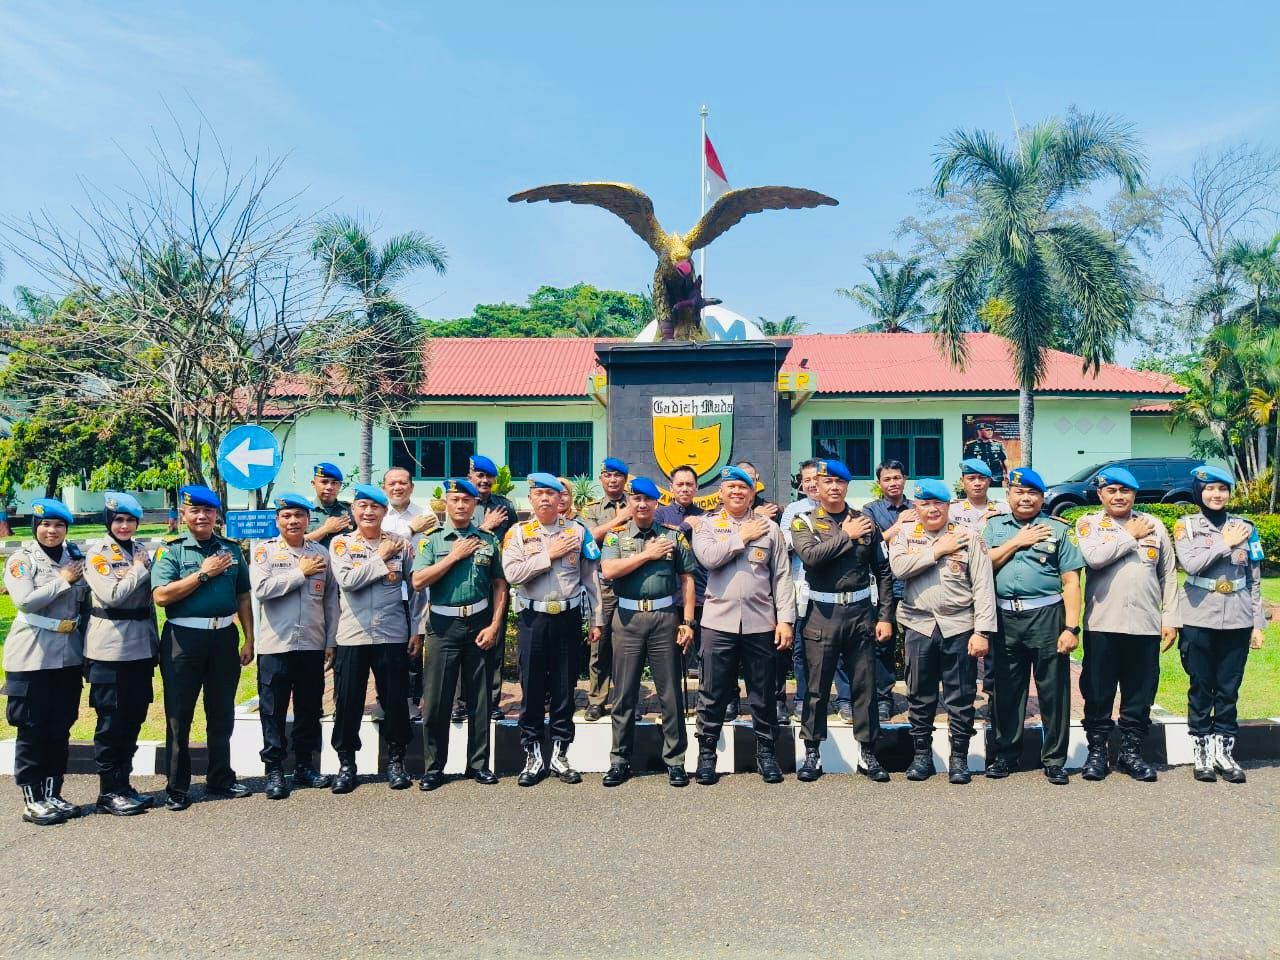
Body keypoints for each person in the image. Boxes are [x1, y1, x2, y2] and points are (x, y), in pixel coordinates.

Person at [790, 460, 895, 783]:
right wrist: (846, 536)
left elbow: (883, 571)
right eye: (827, 482)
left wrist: (885, 616)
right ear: (815, 488)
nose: (834, 487)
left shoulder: (866, 521)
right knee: (817, 687)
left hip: (861, 614)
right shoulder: (803, 521)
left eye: (840, 481)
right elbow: (811, 558)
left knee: (864, 686)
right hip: (821, 614)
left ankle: (867, 753)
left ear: (847, 486)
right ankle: (812, 753)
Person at [152, 485, 255, 810]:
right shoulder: (171, 551)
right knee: (179, 716)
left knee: (221, 713)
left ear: (216, 515)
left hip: (223, 637)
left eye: (208, 511)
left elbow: (242, 596)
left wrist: (249, 637)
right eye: (194, 511)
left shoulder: (231, 550)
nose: (202, 516)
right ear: (184, 515)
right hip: (183, 640)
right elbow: (161, 596)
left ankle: (220, 777)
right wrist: (203, 574)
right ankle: (177, 787)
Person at [691, 466, 795, 785]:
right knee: (712, 692)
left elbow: (781, 577)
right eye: (731, 487)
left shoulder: (770, 529)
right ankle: (707, 755)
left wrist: (786, 620)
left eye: (743, 487)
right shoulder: (707, 525)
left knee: (762, 694)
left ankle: (766, 754)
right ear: (720, 493)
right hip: (717, 624)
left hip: (760, 623)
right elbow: (708, 558)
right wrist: (740, 538)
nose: (737, 492)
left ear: (753, 493)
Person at [1074, 467, 1179, 783]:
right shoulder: (1089, 523)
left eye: (1125, 491)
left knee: (1139, 692)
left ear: (1134, 494)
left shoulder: (1155, 525)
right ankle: (1097, 753)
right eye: (1111, 491)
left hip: (1145, 624)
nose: (1118, 496)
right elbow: (1094, 558)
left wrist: (1171, 618)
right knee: (1097, 691)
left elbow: (1168, 574)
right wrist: (1128, 535)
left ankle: (1131, 753)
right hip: (1103, 623)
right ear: (1100, 494)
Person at [888, 479, 996, 784]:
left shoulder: (968, 537)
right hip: (919, 624)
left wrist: (983, 632)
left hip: (960, 625)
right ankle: (922, 756)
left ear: (948, 505)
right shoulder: (906, 535)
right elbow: (899, 569)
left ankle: (958, 758)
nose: (932, 509)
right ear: (916, 507)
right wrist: (937, 551)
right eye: (925, 504)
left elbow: (983, 587)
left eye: (939, 504)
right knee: (919, 695)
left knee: (960, 695)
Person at [981, 468, 1084, 785]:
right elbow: (983, 567)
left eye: (1032, 493)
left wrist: (1071, 628)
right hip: (1004, 618)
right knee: (1006, 691)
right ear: (1008, 493)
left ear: (1042, 497)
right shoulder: (994, 527)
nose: (1025, 498)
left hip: (1046, 616)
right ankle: (1005, 756)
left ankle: (1054, 759)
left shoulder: (1057, 530)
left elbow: (1070, 581)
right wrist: (1017, 541)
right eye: (1019, 492)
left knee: (1054, 691)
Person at [501, 473, 604, 787]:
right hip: (534, 619)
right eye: (539, 493)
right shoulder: (517, 533)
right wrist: (550, 555)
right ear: (530, 498)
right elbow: (513, 573)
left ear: (562, 499)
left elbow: (591, 578)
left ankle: (560, 754)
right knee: (531, 688)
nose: (545, 499)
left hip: (568, 620)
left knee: (564, 688)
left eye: (551, 493)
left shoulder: (578, 531)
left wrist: (597, 619)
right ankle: (532, 756)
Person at [599, 477, 697, 787]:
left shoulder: (673, 536)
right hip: (627, 618)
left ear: (657, 504)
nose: (642, 504)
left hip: (664, 618)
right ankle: (620, 760)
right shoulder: (615, 538)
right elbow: (609, 571)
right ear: (629, 502)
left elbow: (687, 580)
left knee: (670, 694)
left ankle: (676, 761)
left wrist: (688, 622)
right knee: (624, 693)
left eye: (648, 500)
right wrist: (646, 555)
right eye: (636, 499)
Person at [412, 478, 508, 790]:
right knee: (437, 700)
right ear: (446, 504)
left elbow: (499, 586)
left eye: (467, 500)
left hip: (479, 624)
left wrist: (494, 625)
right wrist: (453, 556)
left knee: (480, 699)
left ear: (475, 505)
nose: (461, 505)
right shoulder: (432, 540)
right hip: (442, 627)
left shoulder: (488, 539)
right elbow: (418, 582)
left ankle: (478, 764)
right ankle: (434, 767)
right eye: (455, 500)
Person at [1173, 465, 1267, 783]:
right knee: (1201, 686)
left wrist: (1258, 624)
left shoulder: (1246, 527)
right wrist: (1224, 542)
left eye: (1222, 489)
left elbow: (1253, 580)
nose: (1216, 495)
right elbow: (1191, 563)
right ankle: (1200, 753)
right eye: (1210, 489)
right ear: (1199, 492)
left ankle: (1224, 753)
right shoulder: (1185, 526)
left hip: (1238, 617)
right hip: (1198, 615)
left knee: (1228, 689)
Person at [4, 499, 90, 825]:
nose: (51, 531)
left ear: (66, 529)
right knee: (31, 729)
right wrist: (63, 580)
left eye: (58, 525)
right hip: (31, 655)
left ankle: (53, 792)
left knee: (60, 728)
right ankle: (32, 800)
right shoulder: (22, 561)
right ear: (35, 528)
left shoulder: (76, 559)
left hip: (68, 655)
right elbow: (25, 600)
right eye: (44, 525)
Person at [250, 493, 340, 800]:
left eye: (299, 516)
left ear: (308, 520)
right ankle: (274, 770)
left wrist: (330, 641)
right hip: (276, 645)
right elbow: (262, 589)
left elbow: (330, 600)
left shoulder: (320, 554)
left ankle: (304, 765)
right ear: (278, 520)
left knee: (308, 708)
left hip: (312, 644)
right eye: (286, 516)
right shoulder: (265, 552)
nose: (293, 521)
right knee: (272, 709)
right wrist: (299, 573)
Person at [327, 484, 415, 794]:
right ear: (353, 512)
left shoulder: (401, 545)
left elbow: (416, 589)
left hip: (391, 633)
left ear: (384, 511)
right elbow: (348, 582)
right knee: (348, 701)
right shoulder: (341, 545)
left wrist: (415, 628)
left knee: (394, 700)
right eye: (362, 506)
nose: (368, 512)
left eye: (375, 507)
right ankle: (347, 763)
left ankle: (396, 761)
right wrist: (380, 557)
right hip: (354, 634)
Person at [82, 492, 159, 816]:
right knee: (111, 723)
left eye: (130, 520)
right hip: (109, 651)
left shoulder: (140, 550)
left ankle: (123, 785)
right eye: (119, 520)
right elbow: (111, 595)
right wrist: (139, 570)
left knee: (133, 719)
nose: (125, 525)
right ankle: (108, 791)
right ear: (109, 522)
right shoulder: (98, 555)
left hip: (140, 650)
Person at [781, 460, 854, 724]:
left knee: (842, 652)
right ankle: (802, 699)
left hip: (836, 591)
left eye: (817, 478)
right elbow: (786, 543)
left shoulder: (847, 513)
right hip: (802, 588)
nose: (813, 484)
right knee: (803, 649)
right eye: (808, 479)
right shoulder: (795, 511)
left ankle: (845, 700)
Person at [456, 454, 518, 723]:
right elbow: (455, 539)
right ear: (470, 477)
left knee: (494, 643)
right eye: (478, 476)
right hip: (464, 581)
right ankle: (461, 702)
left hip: (495, 582)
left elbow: (515, 538)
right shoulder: (460, 502)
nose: (483, 481)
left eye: (487, 477)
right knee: (462, 643)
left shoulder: (505, 506)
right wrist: (485, 527)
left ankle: (491, 701)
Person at [949, 457, 1010, 697]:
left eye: (981, 479)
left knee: (995, 641)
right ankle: (965, 692)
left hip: (995, 580)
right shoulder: (952, 510)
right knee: (965, 639)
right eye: (971, 479)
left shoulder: (1003, 509)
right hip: (961, 583)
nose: (976, 484)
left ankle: (994, 694)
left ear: (989, 481)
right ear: (963, 482)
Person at [860, 459, 914, 722]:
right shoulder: (869, 511)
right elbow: (871, 543)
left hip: (916, 584)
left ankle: (918, 696)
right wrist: (900, 525)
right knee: (883, 644)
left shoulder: (919, 507)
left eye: (897, 477)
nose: (893, 483)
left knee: (917, 645)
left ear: (905, 478)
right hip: (885, 586)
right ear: (879, 484)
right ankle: (884, 698)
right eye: (887, 479)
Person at [381, 466, 436, 723]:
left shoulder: (426, 514)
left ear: (411, 487)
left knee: (414, 649)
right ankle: (387, 702)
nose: (397, 487)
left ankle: (413, 704)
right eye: (392, 483)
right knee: (387, 651)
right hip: (384, 591)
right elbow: (383, 548)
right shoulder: (377, 513)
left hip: (417, 591)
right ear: (385, 488)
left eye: (403, 483)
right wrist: (410, 530)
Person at [580, 457, 631, 722]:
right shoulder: (592, 509)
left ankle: (624, 698)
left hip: (632, 587)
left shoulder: (638, 502)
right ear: (601, 479)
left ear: (625, 479)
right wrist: (621, 518)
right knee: (599, 647)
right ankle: (596, 700)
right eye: (607, 475)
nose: (612, 480)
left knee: (627, 648)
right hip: (603, 586)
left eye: (617, 476)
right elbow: (587, 538)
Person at [655, 464, 708, 711]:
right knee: (670, 656)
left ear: (696, 487)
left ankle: (706, 702)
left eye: (689, 484)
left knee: (705, 654)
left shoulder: (707, 516)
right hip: (668, 596)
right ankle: (673, 703)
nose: (685, 488)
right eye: (680, 484)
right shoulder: (660, 515)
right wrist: (687, 527)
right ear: (671, 487)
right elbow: (663, 544)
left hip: (700, 594)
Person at [305, 462, 353, 548]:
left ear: (340, 485)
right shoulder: (304, 511)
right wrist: (325, 529)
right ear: (313, 484)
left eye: (334, 483)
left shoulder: (351, 511)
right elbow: (296, 543)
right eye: (324, 482)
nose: (329, 487)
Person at [963, 422, 1008, 487]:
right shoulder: (971, 446)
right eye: (987, 430)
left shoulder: (998, 444)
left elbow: (1004, 459)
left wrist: (1007, 473)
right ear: (979, 432)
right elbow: (966, 463)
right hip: (979, 477)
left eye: (991, 430)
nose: (990, 432)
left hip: (996, 477)